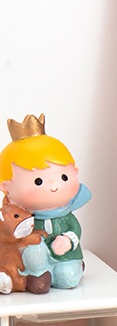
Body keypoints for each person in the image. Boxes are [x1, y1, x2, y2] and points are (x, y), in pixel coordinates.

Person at [0, 114, 91, 292]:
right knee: (34, 249)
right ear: (6, 187)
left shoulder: (65, 215)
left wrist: (68, 240)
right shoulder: (19, 217)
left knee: (66, 278)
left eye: (64, 177)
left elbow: (75, 229)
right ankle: (37, 276)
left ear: (75, 171)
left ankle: (74, 267)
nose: (54, 186)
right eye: (38, 181)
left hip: (65, 256)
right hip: (30, 260)